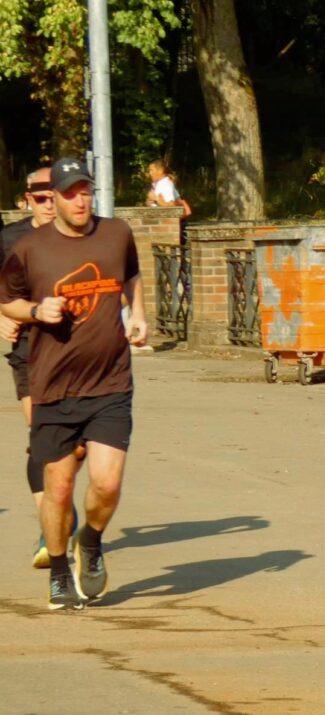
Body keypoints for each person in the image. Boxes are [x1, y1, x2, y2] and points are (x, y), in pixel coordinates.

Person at [0, 157, 148, 610]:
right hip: (52, 386)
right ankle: (60, 571)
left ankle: (92, 540)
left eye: (85, 190)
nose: (80, 199)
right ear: (54, 199)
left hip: (110, 382)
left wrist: (137, 312)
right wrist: (34, 312)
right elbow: (8, 301)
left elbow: (132, 275)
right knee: (59, 488)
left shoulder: (116, 233)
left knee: (106, 484)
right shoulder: (29, 248)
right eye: (69, 193)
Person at [0, 167, 81, 569]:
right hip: (29, 351)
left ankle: (62, 507)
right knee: (42, 439)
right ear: (27, 200)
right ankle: (51, 528)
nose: (50, 204)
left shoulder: (88, 237)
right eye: (41, 197)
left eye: (56, 196)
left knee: (76, 448)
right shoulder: (11, 239)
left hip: (77, 350)